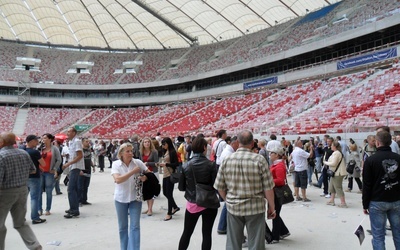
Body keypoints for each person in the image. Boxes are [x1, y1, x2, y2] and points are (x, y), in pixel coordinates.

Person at [214, 130, 276, 250]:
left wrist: (228, 200)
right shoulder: (259, 160)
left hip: (234, 207)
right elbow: (268, 188)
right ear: (252, 143)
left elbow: (220, 187)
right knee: (256, 244)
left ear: (237, 142)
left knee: (233, 243)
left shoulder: (227, 160)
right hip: (255, 207)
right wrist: (271, 207)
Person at [0, 132, 43, 250]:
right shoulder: (23, 153)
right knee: (21, 222)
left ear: (3, 142)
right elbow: (33, 170)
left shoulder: (1, 156)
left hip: (6, 192)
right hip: (22, 190)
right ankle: (34, 245)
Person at [178, 137, 218, 250]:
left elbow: (181, 187)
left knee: (187, 233)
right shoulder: (211, 165)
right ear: (204, 148)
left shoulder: (186, 165)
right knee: (207, 234)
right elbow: (216, 185)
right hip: (209, 202)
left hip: (193, 202)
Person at [363, 131, 400, 250]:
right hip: (396, 199)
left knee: (378, 236)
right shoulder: (398, 158)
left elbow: (367, 184)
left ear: (377, 143)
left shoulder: (371, 160)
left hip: (377, 201)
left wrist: (365, 203)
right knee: (398, 234)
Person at [111, 143, 149, 250]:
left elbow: (148, 173)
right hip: (120, 199)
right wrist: (133, 172)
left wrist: (145, 177)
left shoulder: (138, 163)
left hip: (135, 199)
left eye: (131, 151)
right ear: (121, 153)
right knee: (122, 227)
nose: (130, 153)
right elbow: (118, 180)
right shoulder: (116, 164)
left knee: (135, 226)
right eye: (127, 151)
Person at [217, 136, 239, 235]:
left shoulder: (228, 152)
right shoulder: (228, 153)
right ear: (234, 143)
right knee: (227, 203)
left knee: (227, 204)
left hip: (227, 180)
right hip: (228, 181)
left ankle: (222, 226)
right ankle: (222, 226)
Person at [268, 145, 290, 244]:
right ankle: (283, 231)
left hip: (277, 192)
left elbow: (280, 181)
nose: (270, 155)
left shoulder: (279, 165)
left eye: (271, 153)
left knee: (275, 214)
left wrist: (268, 181)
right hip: (274, 191)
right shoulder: (276, 164)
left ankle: (275, 236)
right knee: (275, 214)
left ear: (276, 155)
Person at [62, 127, 84, 219]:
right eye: (67, 131)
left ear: (74, 133)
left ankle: (74, 210)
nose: (67, 133)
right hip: (72, 167)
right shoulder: (71, 142)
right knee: (72, 189)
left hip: (75, 167)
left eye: (69, 131)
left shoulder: (77, 141)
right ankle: (73, 207)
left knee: (70, 189)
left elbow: (80, 156)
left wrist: (68, 164)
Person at [24, 135, 47, 224]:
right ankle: (35, 217)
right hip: (34, 177)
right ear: (32, 141)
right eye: (36, 141)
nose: (37, 142)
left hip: (24, 177)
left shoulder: (22, 150)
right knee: (34, 198)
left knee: (23, 199)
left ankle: (21, 217)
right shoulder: (35, 152)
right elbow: (43, 164)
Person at [38, 133, 61, 216]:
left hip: (49, 172)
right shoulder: (40, 148)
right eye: (42, 138)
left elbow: (59, 160)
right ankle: (39, 209)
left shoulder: (54, 149)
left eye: (45, 138)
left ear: (50, 139)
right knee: (39, 191)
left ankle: (48, 209)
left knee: (48, 191)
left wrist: (54, 169)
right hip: (40, 172)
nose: (43, 139)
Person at [159, 137, 180, 221]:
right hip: (165, 174)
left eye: (164, 144)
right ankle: (174, 207)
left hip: (170, 174)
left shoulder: (172, 152)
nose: (163, 146)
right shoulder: (166, 151)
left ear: (168, 144)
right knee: (165, 192)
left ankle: (169, 213)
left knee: (169, 193)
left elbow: (176, 164)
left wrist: (167, 164)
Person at [139, 137, 159, 216]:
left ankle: (150, 209)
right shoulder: (141, 152)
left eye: (148, 142)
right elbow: (140, 162)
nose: (147, 143)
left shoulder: (154, 152)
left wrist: (147, 163)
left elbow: (156, 163)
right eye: (145, 142)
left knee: (152, 191)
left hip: (153, 172)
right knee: (146, 191)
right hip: (145, 173)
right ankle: (148, 208)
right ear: (143, 144)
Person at [324, 141, 347, 208]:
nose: (331, 146)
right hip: (335, 173)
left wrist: (326, 162)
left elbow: (334, 163)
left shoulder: (337, 153)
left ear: (335, 146)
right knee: (332, 187)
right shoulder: (336, 153)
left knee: (338, 187)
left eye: (332, 145)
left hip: (338, 173)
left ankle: (343, 203)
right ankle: (332, 200)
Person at [79, 138, 95, 206]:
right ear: (82, 142)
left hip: (88, 169)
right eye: (86, 141)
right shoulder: (80, 151)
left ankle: (84, 200)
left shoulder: (89, 150)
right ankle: (79, 200)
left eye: (88, 141)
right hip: (82, 170)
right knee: (80, 186)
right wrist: (79, 170)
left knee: (86, 186)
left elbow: (89, 159)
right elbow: (78, 160)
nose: (88, 142)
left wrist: (93, 166)